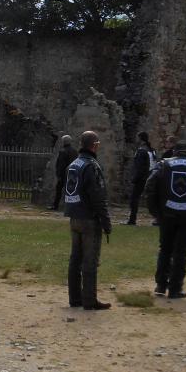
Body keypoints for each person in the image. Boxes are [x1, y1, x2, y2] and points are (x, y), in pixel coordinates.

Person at [145, 142, 186, 299]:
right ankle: (175, 289)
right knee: (181, 252)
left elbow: (150, 187)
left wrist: (155, 211)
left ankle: (161, 285)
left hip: (167, 214)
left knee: (165, 249)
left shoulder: (163, 165)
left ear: (174, 151)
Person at [63, 130, 112, 309]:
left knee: (75, 259)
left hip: (74, 216)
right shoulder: (91, 166)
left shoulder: (74, 164)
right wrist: (106, 222)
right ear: (94, 145)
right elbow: (97, 197)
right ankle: (89, 301)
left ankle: (75, 298)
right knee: (89, 261)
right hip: (89, 219)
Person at [124, 131, 156, 226]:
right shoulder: (151, 150)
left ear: (141, 139)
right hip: (150, 176)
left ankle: (132, 219)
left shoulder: (142, 151)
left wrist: (135, 178)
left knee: (134, 199)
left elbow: (140, 167)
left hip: (142, 178)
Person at [49, 135, 77, 211]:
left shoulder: (63, 151)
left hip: (64, 174)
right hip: (72, 173)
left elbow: (61, 164)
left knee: (59, 190)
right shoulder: (75, 151)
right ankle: (72, 207)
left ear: (63, 142)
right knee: (72, 191)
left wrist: (59, 175)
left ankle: (55, 206)